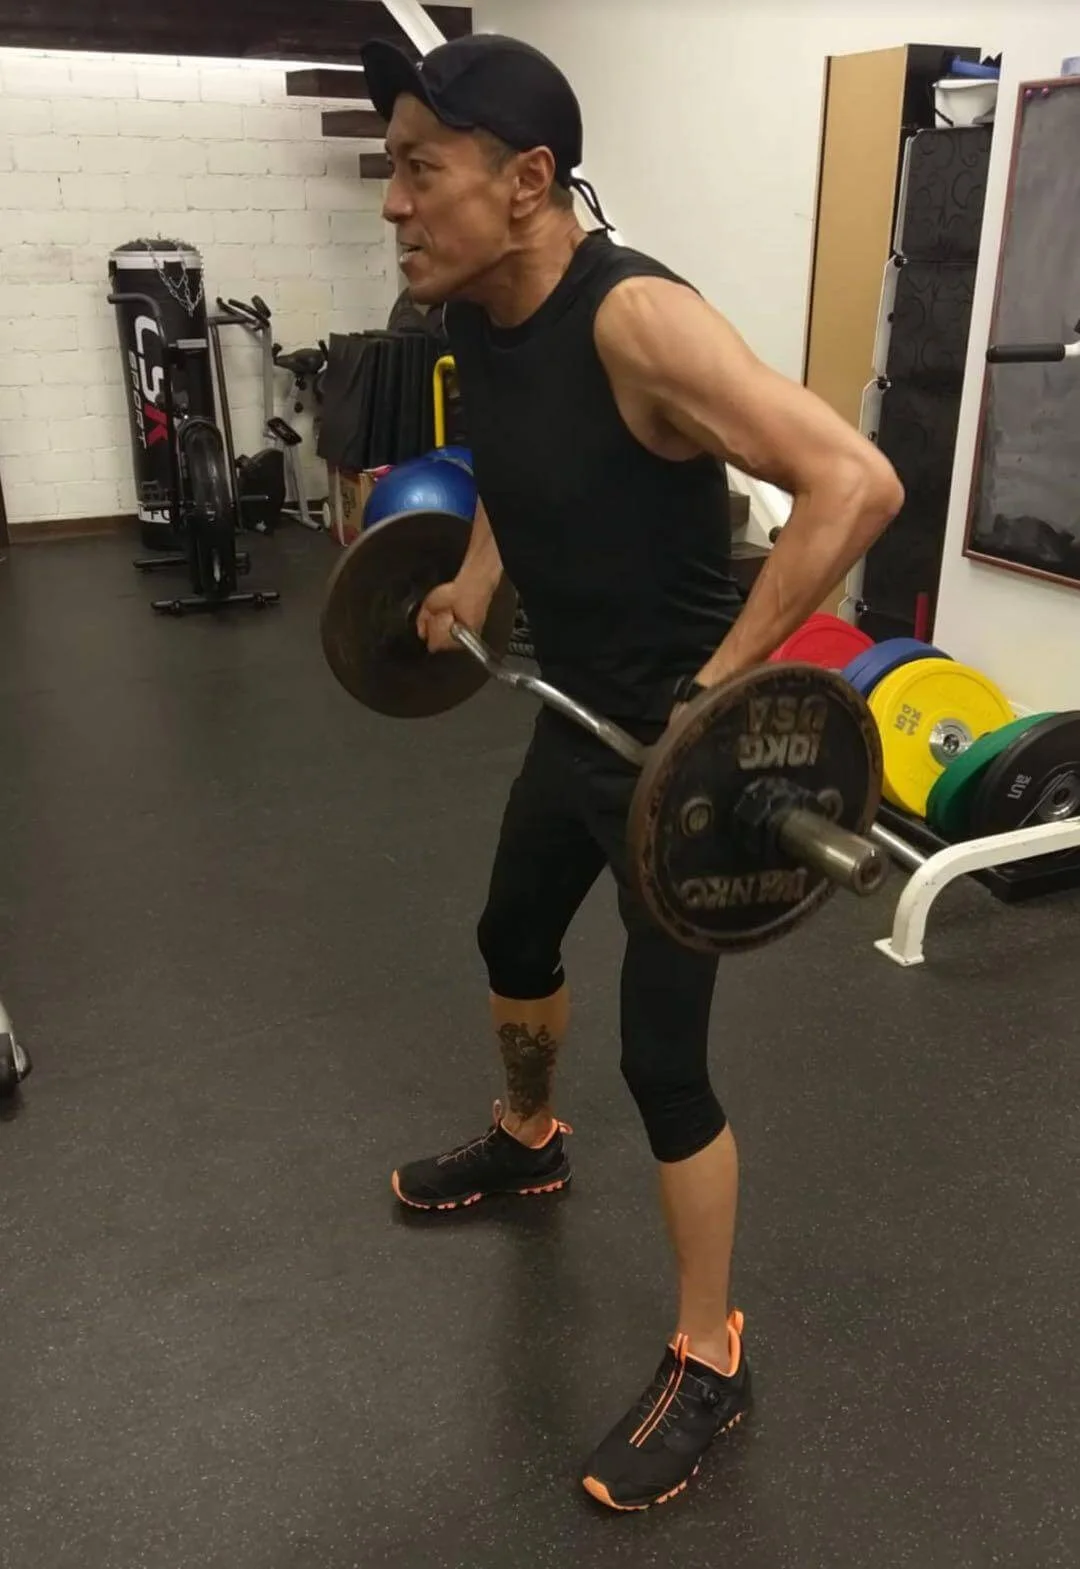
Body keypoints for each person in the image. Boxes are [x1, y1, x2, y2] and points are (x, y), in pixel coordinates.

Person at [359, 32, 903, 1513]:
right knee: (510, 935)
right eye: (391, 167)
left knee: (664, 1064)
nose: (394, 201)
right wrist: (477, 577)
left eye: (420, 168)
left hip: (684, 770)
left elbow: (856, 483)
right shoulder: (479, 310)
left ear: (528, 181)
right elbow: (513, 461)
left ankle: (710, 1351)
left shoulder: (637, 321)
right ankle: (528, 1140)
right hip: (575, 722)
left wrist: (712, 696)